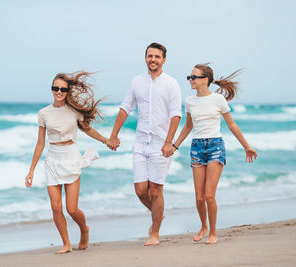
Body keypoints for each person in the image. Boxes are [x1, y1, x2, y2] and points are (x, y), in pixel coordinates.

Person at [172, 63, 258, 244]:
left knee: (209, 195)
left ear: (205, 80)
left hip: (215, 147)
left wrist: (246, 146)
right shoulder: (189, 101)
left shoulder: (218, 100)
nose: (190, 80)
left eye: (193, 77)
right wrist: (174, 146)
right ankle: (203, 226)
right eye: (190, 77)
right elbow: (188, 126)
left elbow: (232, 124)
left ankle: (213, 232)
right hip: (196, 147)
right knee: (198, 197)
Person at [107, 42, 182, 246]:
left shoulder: (171, 83)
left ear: (164, 60)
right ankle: (159, 213)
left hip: (161, 144)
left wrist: (169, 142)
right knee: (141, 190)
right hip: (141, 142)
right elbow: (125, 108)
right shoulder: (136, 82)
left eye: (157, 56)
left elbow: (176, 114)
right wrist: (114, 135)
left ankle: (155, 233)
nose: (153, 60)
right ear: (145, 58)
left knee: (156, 191)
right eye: (150, 56)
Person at [25, 71, 108, 254]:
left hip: (71, 158)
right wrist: (31, 170)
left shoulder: (74, 111)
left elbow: (88, 130)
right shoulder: (44, 113)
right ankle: (66, 244)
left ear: (68, 90)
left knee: (71, 209)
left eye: (63, 89)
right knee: (55, 206)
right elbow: (40, 143)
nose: (59, 91)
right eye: (56, 88)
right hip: (53, 160)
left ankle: (84, 229)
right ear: (51, 89)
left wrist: (106, 140)